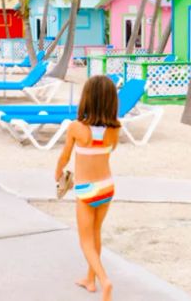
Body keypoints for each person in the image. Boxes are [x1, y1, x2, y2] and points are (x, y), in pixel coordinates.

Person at [55, 75, 121, 301]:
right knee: (95, 234)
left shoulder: (76, 128)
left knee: (85, 240)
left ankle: (104, 280)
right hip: (107, 187)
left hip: (86, 190)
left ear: (87, 99)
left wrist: (58, 174)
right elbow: (109, 152)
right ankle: (90, 280)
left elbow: (64, 157)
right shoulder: (115, 129)